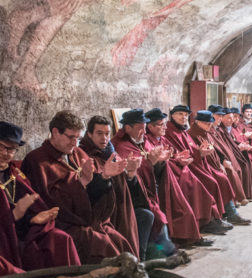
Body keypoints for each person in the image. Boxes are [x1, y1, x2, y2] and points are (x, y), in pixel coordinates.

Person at [22, 111, 134, 263]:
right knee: (104, 245)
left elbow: (92, 192)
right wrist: (81, 183)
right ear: (55, 132)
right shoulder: (36, 160)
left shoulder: (78, 153)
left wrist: (104, 176)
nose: (75, 143)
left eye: (78, 138)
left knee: (120, 241)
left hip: (88, 218)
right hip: (64, 223)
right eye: (70, 137)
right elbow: (49, 201)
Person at [0, 121, 80, 273]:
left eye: (12, 150)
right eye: (3, 147)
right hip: (4, 240)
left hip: (23, 231)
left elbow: (30, 209)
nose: (7, 154)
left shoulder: (16, 174)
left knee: (61, 239)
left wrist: (33, 218)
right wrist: (13, 216)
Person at [111, 108, 177, 257]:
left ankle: (163, 250)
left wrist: (159, 161)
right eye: (140, 129)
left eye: (144, 128)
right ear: (128, 128)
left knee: (159, 210)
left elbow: (148, 163)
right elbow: (130, 171)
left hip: (148, 190)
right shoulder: (121, 146)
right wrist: (151, 162)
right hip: (132, 195)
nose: (143, 132)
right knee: (156, 215)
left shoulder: (141, 141)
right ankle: (160, 252)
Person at [144, 108, 215, 247]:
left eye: (186, 115)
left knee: (199, 185)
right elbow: (152, 161)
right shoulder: (148, 141)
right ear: (150, 126)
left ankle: (205, 223)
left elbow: (174, 154)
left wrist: (179, 158)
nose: (164, 127)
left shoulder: (163, 137)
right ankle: (186, 235)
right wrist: (174, 160)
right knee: (186, 196)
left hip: (176, 171)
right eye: (161, 124)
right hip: (164, 178)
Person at [165, 105, 236, 228]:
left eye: (186, 114)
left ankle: (220, 215)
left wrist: (200, 153)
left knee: (219, 178)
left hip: (194, 165)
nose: (184, 117)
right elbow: (175, 154)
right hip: (182, 168)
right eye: (180, 114)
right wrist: (199, 153)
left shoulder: (182, 131)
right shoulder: (170, 132)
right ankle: (209, 220)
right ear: (172, 115)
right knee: (211, 182)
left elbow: (192, 149)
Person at [80, 115, 141, 258]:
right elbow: (87, 190)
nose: (104, 138)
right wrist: (105, 175)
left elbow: (126, 186)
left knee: (145, 216)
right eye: (99, 133)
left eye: (107, 134)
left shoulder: (111, 153)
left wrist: (131, 174)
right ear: (89, 134)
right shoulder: (84, 155)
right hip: (101, 211)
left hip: (120, 206)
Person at [189, 110, 251, 225]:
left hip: (213, 165)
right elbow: (192, 154)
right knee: (220, 180)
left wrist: (221, 163)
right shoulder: (192, 134)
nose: (209, 126)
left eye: (210, 123)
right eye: (206, 123)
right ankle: (226, 214)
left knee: (226, 174)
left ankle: (230, 212)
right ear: (198, 122)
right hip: (200, 167)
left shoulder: (205, 132)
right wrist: (201, 154)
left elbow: (216, 151)